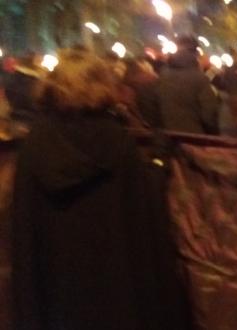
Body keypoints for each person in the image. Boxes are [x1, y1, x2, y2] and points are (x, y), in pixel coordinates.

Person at [12, 49, 190, 330]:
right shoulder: (117, 141)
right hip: (115, 284)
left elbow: (25, 224)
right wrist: (158, 161)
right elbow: (144, 211)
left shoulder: (35, 143)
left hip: (57, 284)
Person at [157, 36, 220, 134]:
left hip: (167, 137)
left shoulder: (162, 75)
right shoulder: (199, 78)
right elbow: (209, 114)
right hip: (193, 137)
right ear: (195, 52)